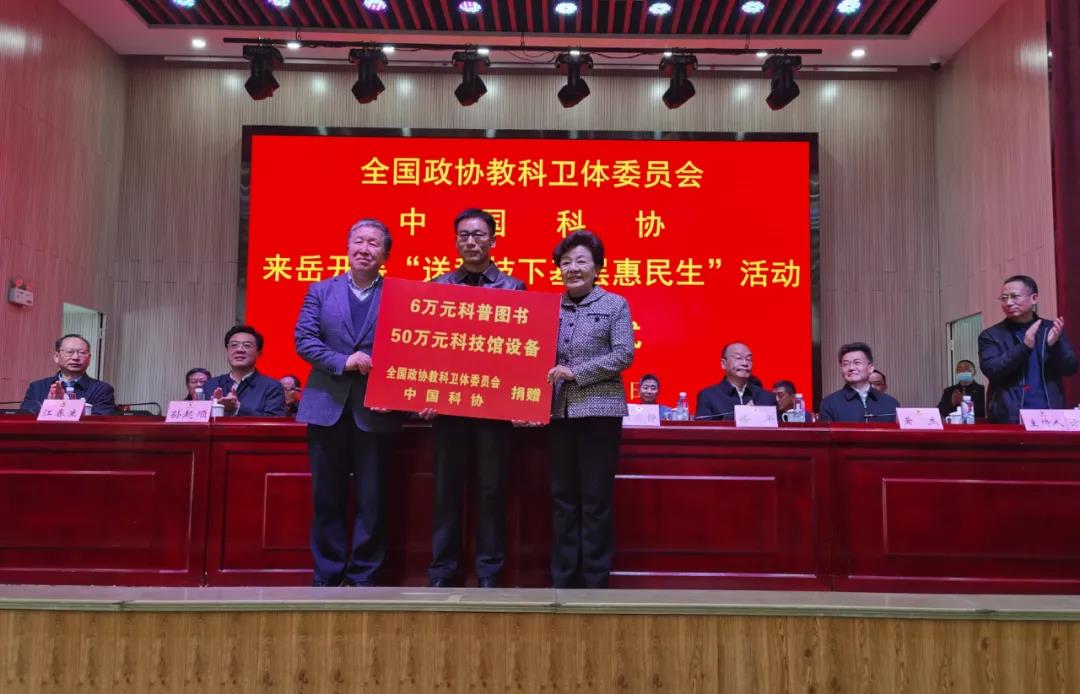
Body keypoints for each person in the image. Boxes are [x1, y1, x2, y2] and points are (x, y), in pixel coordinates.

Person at [294, 218, 403, 587]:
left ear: (385, 255)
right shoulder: (320, 291)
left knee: (373, 500)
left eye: (373, 243)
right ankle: (328, 574)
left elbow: (409, 348)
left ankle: (363, 576)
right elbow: (304, 340)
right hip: (327, 408)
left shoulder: (399, 295)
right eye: (358, 241)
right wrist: (344, 362)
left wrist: (399, 393)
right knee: (327, 497)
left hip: (377, 410)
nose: (364, 249)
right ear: (347, 247)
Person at [424, 208, 526, 589]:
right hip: (448, 407)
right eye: (464, 235)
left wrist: (519, 401)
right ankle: (442, 569)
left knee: (492, 490)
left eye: (478, 235)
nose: (471, 241)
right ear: (456, 242)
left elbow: (521, 352)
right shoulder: (438, 286)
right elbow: (426, 349)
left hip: (493, 410)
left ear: (493, 241)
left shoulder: (513, 288)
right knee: (445, 491)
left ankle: (488, 571)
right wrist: (424, 394)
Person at [546, 230, 634, 589]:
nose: (573, 268)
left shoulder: (615, 304)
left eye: (581, 261)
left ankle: (595, 580)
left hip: (599, 413)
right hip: (558, 414)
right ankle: (563, 578)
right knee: (563, 498)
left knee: (595, 499)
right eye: (566, 262)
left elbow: (624, 354)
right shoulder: (550, 308)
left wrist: (576, 373)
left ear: (597, 267)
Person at [978, 275, 1078, 423]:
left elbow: (1070, 369)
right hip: (1009, 418)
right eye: (1004, 298)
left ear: (1034, 298)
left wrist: (1053, 346)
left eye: (1014, 297)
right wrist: (1024, 347)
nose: (1008, 303)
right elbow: (992, 370)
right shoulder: (991, 335)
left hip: (1050, 417)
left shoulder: (1051, 329)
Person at [20, 334, 116, 415]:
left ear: (89, 358)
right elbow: (26, 417)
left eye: (82, 353)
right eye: (70, 352)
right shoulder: (37, 388)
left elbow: (100, 420)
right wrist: (51, 405)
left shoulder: (102, 389)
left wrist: (63, 405)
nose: (75, 357)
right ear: (56, 357)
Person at [202, 325, 287, 417]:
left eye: (247, 345)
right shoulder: (210, 385)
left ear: (259, 352)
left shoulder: (272, 387)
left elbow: (274, 423)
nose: (239, 350)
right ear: (227, 350)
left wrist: (238, 408)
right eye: (234, 345)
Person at [818, 342, 900, 423]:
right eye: (845, 364)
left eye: (857, 362)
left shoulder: (891, 403)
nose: (851, 368)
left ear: (870, 368)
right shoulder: (829, 403)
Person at [694, 343, 776, 420]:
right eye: (738, 358)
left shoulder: (767, 398)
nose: (745, 363)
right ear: (723, 364)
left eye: (749, 359)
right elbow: (703, 429)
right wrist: (741, 417)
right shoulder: (708, 396)